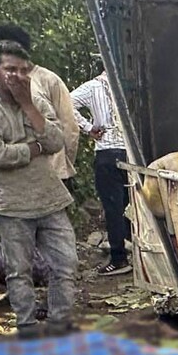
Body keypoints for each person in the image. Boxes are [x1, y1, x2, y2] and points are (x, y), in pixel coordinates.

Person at [0, 41, 78, 339]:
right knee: (19, 271)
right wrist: (34, 147)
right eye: (9, 69)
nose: (17, 76)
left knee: (66, 265)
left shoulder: (37, 103)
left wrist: (29, 105)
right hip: (12, 205)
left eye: (23, 70)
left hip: (50, 199)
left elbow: (56, 142)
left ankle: (59, 324)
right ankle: (27, 327)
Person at [0, 25, 80, 189]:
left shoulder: (48, 81)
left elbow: (69, 128)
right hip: (11, 182)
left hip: (51, 177)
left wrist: (63, 168)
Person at [71, 67, 132, 276]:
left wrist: (88, 128)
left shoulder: (93, 86)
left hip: (107, 151)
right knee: (132, 203)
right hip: (131, 152)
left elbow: (66, 103)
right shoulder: (129, 85)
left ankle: (119, 258)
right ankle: (140, 250)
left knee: (113, 206)